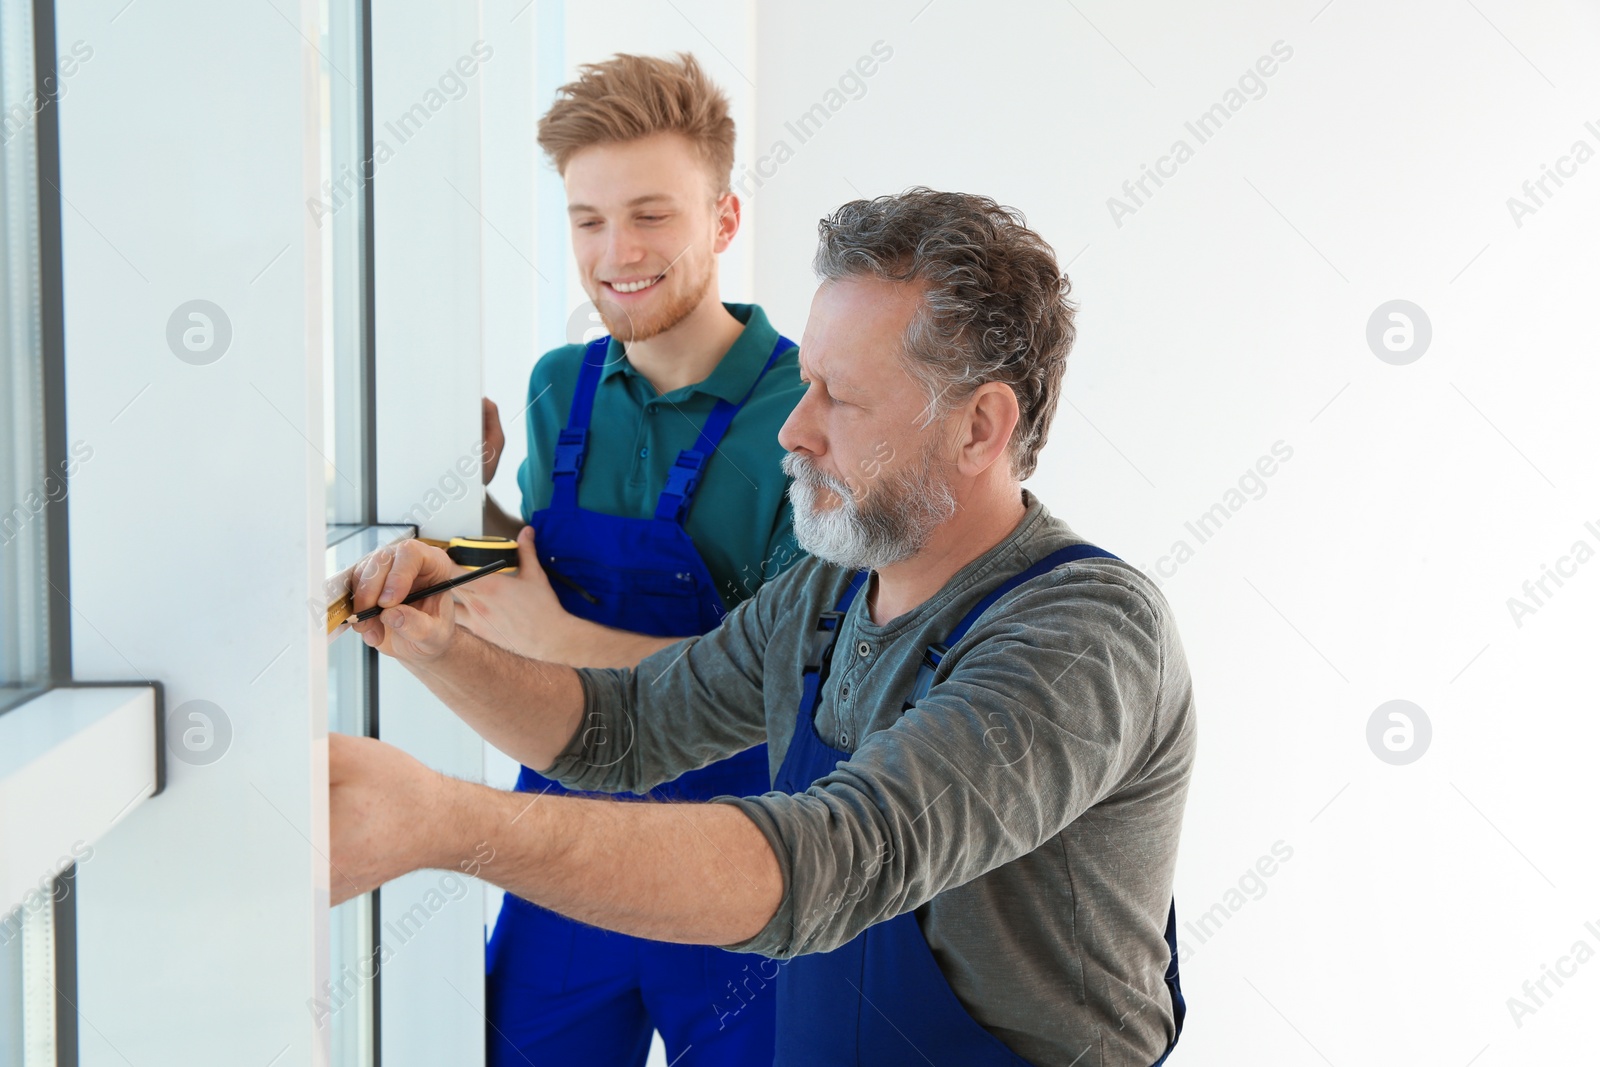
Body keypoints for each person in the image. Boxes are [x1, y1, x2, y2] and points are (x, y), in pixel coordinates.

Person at [333, 188, 1196, 1066]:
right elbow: (623, 729)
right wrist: (438, 645)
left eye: (840, 398)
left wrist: (440, 822)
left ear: (980, 426)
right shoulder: (829, 591)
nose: (794, 428)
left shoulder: (1084, 633)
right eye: (804, 384)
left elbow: (834, 856)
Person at [461, 52, 805, 1067]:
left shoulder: (804, 415)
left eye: (652, 214)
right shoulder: (555, 386)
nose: (617, 252)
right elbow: (522, 577)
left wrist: (560, 642)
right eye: (588, 219)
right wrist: (459, 497)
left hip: (739, 864)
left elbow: (789, 678)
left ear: (724, 220)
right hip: (561, 849)